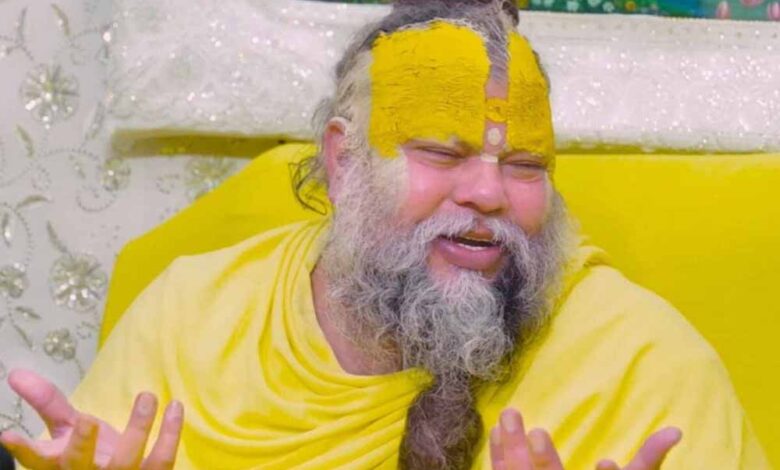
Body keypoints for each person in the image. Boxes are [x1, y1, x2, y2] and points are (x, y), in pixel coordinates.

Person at [0, 1, 769, 469]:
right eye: (441, 153)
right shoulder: (191, 317)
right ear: (343, 161)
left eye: (526, 165)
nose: (488, 193)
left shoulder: (644, 363)